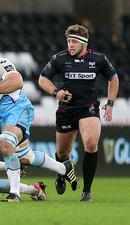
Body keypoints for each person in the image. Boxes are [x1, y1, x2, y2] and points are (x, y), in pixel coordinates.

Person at [0, 34, 78, 202]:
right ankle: (63, 168)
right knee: (25, 157)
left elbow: (17, 82)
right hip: (4, 114)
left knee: (5, 143)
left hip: (18, 108)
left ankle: (15, 194)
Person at [38, 24, 119, 202]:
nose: (70, 45)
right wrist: (55, 92)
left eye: (74, 41)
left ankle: (86, 192)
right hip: (66, 111)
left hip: (88, 109)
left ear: (84, 43)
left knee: (91, 144)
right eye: (68, 41)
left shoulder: (99, 59)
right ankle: (61, 174)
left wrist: (110, 103)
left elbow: (113, 78)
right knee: (62, 153)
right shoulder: (59, 59)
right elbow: (42, 78)